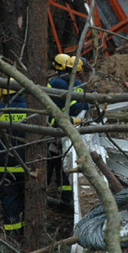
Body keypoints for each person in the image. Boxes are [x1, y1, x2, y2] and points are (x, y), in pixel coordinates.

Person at [0, 83, 28, 238]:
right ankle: (29, 232)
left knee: (9, 202)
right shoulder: (31, 109)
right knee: (28, 199)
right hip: (26, 166)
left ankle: (13, 237)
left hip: (4, 167)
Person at [46, 53, 88, 205]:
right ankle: (42, 192)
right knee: (51, 162)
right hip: (54, 128)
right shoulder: (59, 84)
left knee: (63, 163)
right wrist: (84, 106)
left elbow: (79, 106)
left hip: (64, 127)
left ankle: (65, 195)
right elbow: (73, 108)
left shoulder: (72, 84)